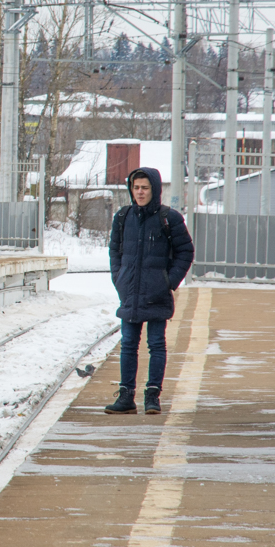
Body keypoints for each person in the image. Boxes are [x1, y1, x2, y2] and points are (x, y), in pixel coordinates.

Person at [105, 166, 195, 416]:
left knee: (156, 344)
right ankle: (126, 396)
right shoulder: (123, 217)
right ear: (130, 190)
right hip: (130, 292)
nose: (140, 192)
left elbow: (185, 252)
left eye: (145, 188)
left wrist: (168, 281)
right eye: (136, 188)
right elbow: (114, 251)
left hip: (156, 293)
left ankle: (152, 395)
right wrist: (119, 278)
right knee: (128, 345)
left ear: (154, 189)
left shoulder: (170, 218)